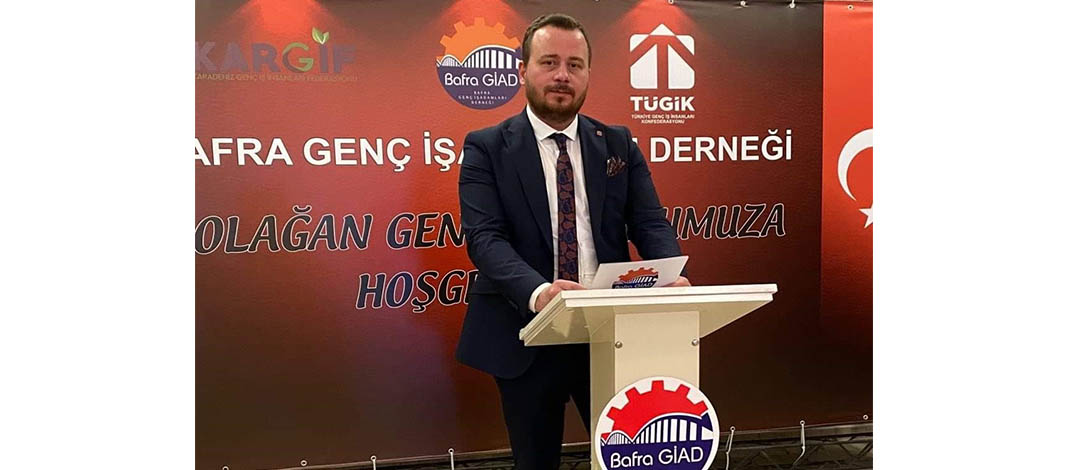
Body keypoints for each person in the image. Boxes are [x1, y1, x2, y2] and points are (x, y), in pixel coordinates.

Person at [455, 13, 690, 469]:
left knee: (629, 458)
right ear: (523, 70)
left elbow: (649, 222)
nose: (562, 75)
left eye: (575, 65)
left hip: (609, 332)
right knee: (535, 462)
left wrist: (670, 272)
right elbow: (485, 239)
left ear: (587, 74)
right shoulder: (486, 146)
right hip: (525, 331)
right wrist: (541, 292)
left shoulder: (618, 143)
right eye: (549, 62)